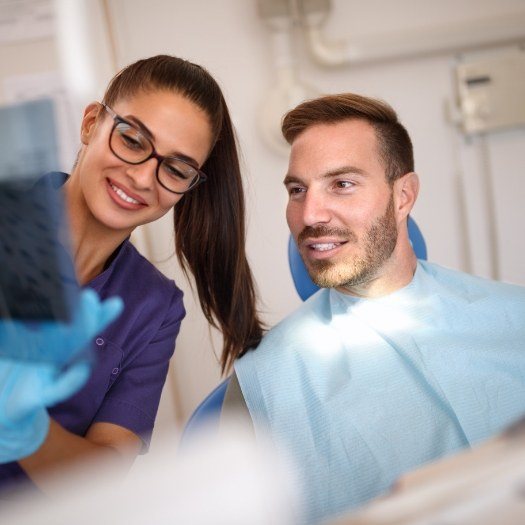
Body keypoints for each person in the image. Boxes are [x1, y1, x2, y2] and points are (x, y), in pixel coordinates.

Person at [232, 93, 525, 524]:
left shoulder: (514, 318)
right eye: (297, 190)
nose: (310, 214)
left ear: (404, 195)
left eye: (342, 184)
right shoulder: (262, 383)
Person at [0, 55, 263, 495]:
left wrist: (28, 431)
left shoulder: (155, 307)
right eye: (133, 140)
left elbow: (102, 478)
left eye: (176, 169)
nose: (142, 177)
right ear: (90, 124)